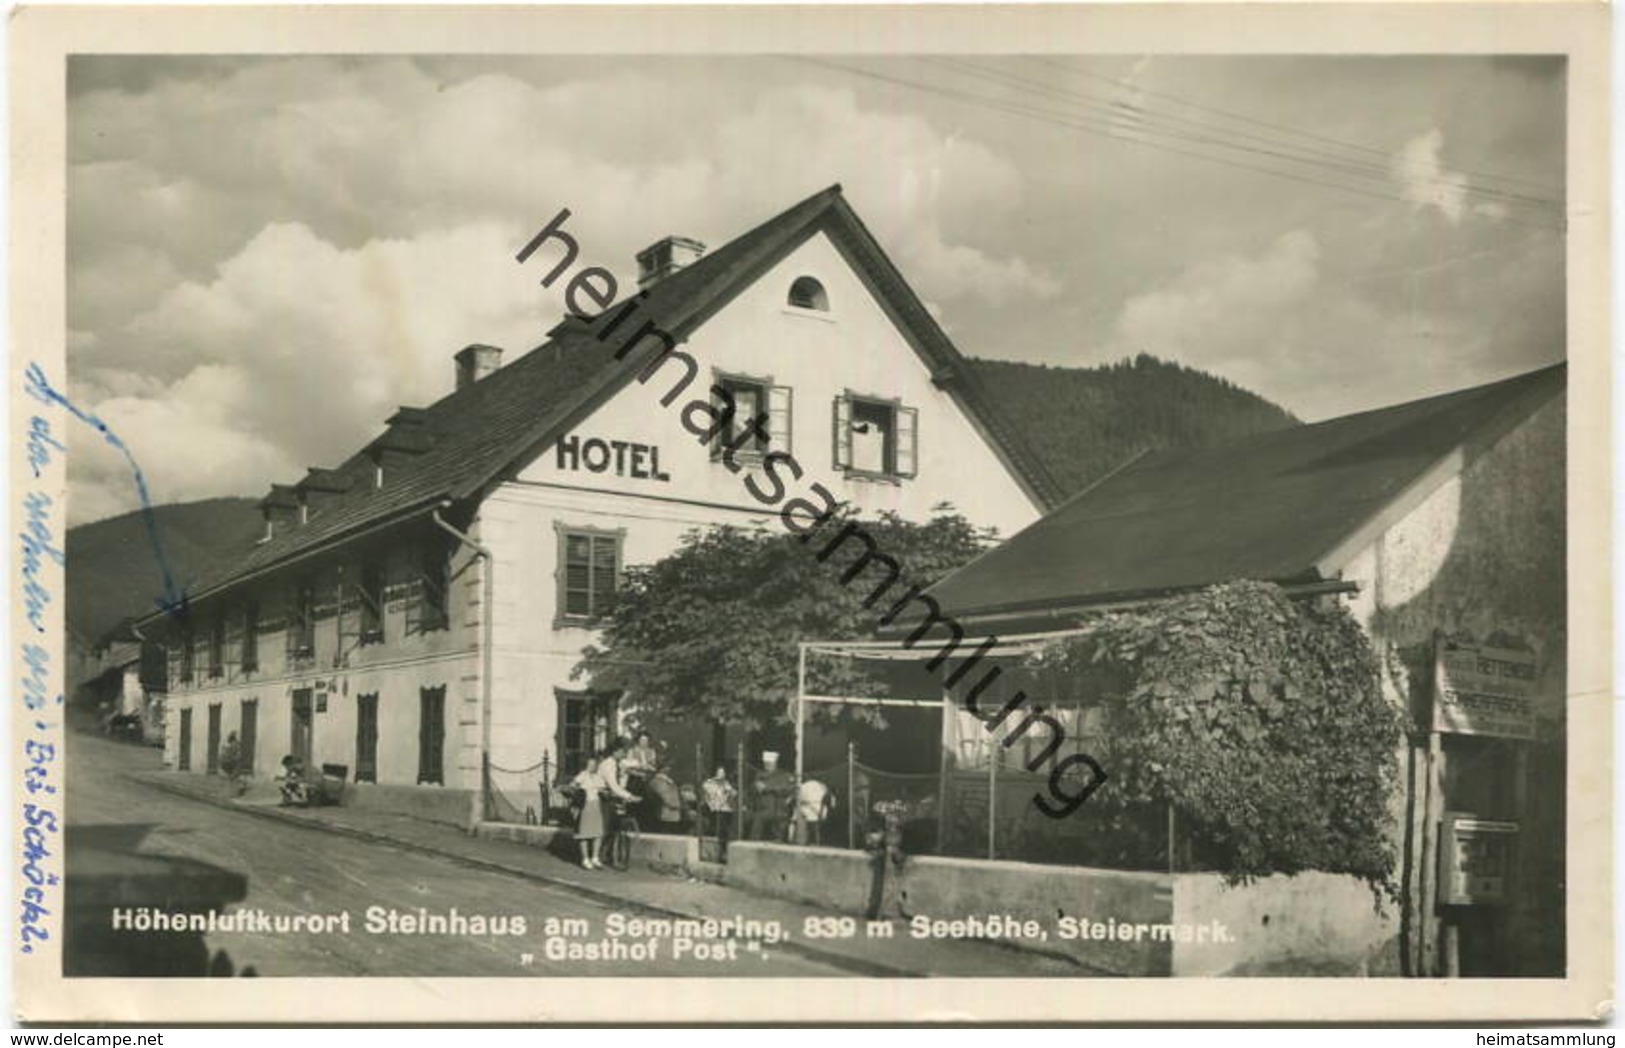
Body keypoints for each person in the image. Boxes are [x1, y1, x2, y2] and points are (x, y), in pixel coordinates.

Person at [573, 745, 636, 870]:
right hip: (585, 806)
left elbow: (604, 789)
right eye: (589, 764)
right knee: (584, 834)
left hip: (596, 805)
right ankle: (585, 859)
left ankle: (595, 858)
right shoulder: (582, 775)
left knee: (598, 833)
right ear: (585, 765)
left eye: (594, 764)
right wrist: (577, 795)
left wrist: (609, 793)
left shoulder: (597, 777)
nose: (592, 767)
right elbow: (572, 787)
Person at [747, 751, 796, 842]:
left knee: (778, 822)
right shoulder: (760, 775)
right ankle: (752, 844)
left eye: (769, 763)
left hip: (779, 808)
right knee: (756, 821)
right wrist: (757, 788)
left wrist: (768, 788)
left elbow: (789, 789)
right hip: (762, 808)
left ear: (775, 763)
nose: (767, 765)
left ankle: (778, 840)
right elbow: (755, 789)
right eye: (766, 763)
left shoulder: (784, 775)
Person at [700, 765, 738, 861]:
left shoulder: (726, 783)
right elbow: (709, 797)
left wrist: (729, 791)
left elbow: (733, 794)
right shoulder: (709, 783)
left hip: (725, 810)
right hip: (714, 810)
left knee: (726, 830)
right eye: (719, 772)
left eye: (723, 773)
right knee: (718, 829)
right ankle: (717, 853)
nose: (721, 775)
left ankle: (724, 852)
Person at [794, 776, 835, 846]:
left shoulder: (804, 786)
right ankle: (816, 841)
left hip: (807, 809)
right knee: (816, 826)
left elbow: (799, 798)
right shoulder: (822, 786)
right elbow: (829, 798)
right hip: (818, 809)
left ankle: (805, 840)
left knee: (807, 824)